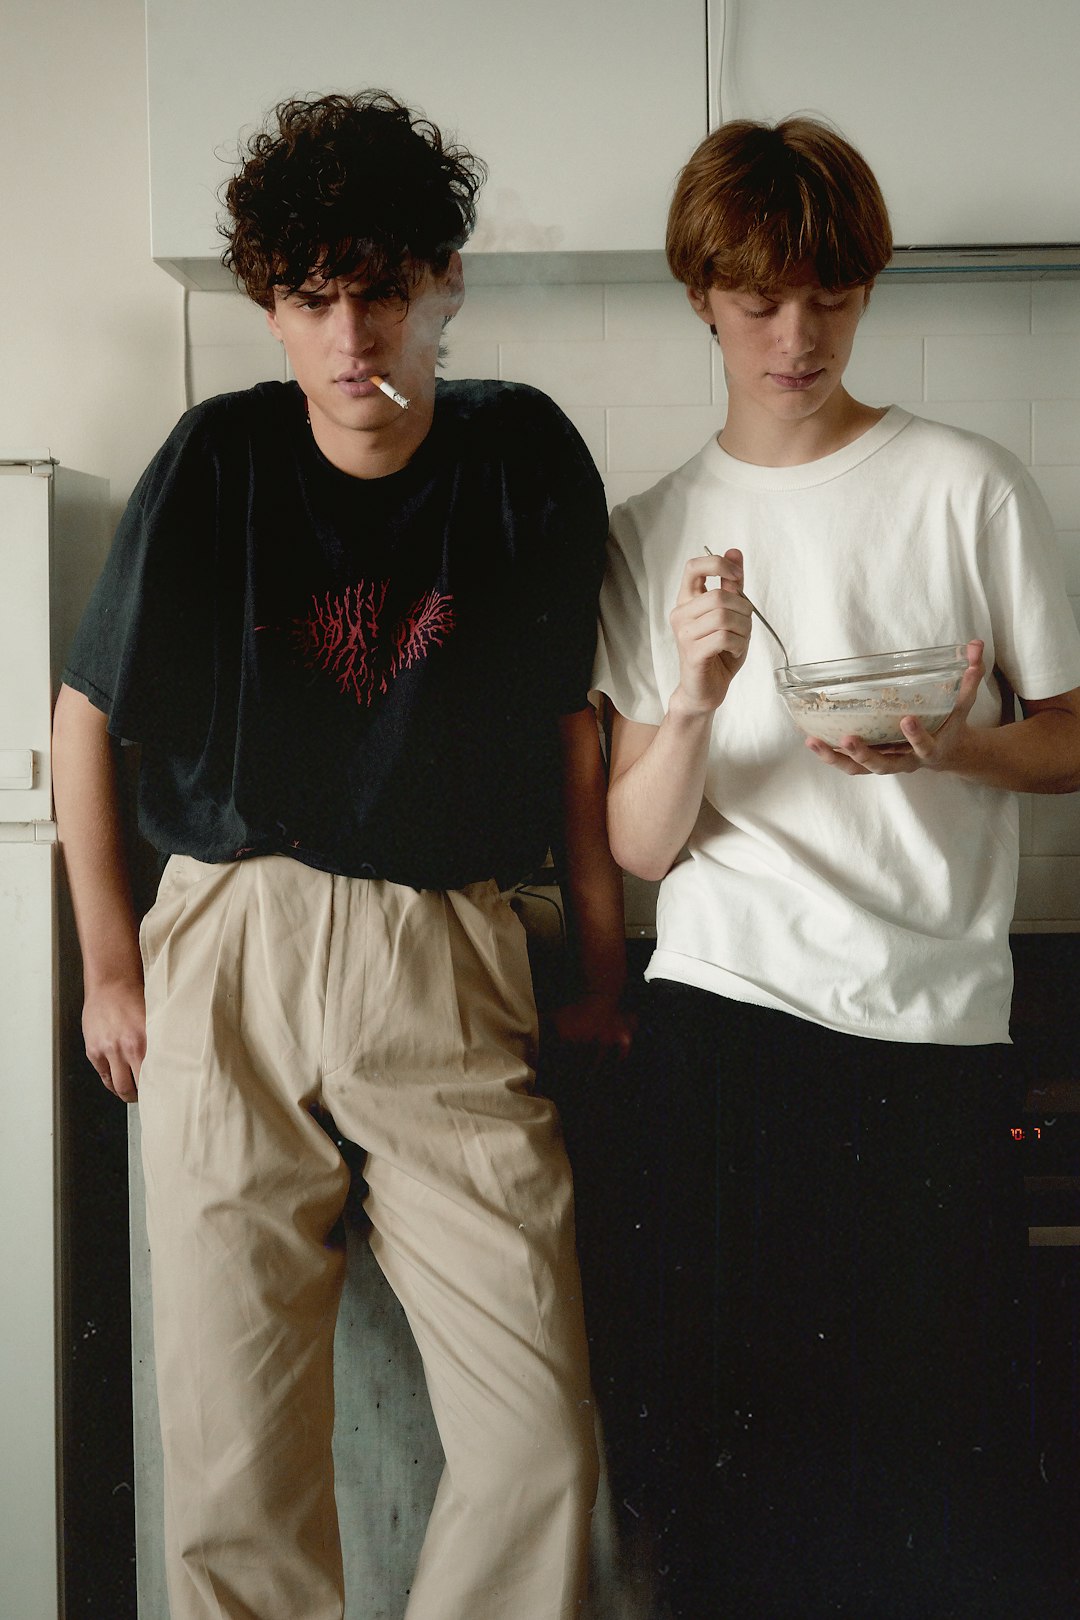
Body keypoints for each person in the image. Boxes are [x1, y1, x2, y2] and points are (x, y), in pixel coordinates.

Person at [52, 89, 631, 1620]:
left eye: (383, 288)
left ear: (445, 279)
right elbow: (78, 724)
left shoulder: (521, 459)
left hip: (443, 959)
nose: (353, 333)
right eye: (314, 300)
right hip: (229, 950)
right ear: (272, 306)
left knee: (543, 1438)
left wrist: (599, 953)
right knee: (235, 1472)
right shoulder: (216, 462)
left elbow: (574, 731)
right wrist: (110, 967)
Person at [587, 116, 1080, 1617]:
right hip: (723, 1033)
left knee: (937, 1488)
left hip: (931, 1037)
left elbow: (1068, 737)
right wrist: (690, 697)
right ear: (703, 298)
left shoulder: (968, 486)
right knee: (724, 1488)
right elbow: (634, 843)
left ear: (866, 292)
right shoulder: (650, 532)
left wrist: (956, 749)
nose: (796, 336)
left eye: (832, 298)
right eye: (760, 303)